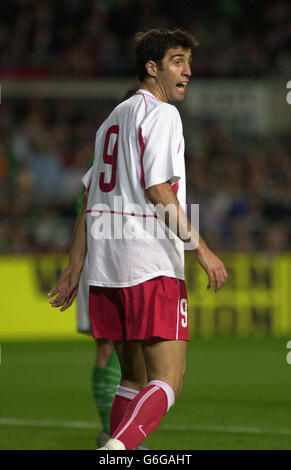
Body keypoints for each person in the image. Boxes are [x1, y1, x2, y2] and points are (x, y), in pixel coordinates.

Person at [48, 28, 228, 450]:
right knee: (170, 380)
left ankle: (118, 444)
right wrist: (202, 251)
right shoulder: (162, 114)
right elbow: (158, 189)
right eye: (177, 61)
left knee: (132, 378)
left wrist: (75, 268)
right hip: (149, 261)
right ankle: (117, 449)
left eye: (188, 61)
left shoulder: (112, 119)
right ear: (152, 68)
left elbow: (91, 198)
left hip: (106, 267)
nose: (188, 70)